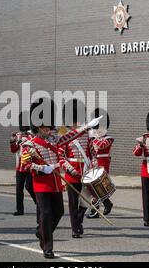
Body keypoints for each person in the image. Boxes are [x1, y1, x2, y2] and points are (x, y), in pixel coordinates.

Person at [20, 98, 101, 259]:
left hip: (56, 184)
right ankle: (47, 247)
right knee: (46, 214)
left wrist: (87, 126)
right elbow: (25, 166)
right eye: (46, 128)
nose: (49, 130)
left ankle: (42, 231)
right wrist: (41, 168)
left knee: (59, 212)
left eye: (49, 127)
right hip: (41, 184)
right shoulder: (30, 144)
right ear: (38, 127)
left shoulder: (55, 140)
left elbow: (70, 136)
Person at [58, 99, 90, 238]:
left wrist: (93, 164)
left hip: (86, 170)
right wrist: (70, 169)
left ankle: (78, 220)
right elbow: (60, 156)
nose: (77, 122)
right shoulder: (63, 132)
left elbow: (91, 152)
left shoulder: (86, 132)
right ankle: (74, 228)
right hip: (72, 172)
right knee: (73, 202)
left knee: (85, 200)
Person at [87, 108, 114, 219]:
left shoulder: (108, 138)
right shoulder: (91, 137)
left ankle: (96, 209)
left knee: (99, 186)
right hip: (93, 163)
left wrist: (93, 136)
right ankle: (106, 204)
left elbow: (101, 145)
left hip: (103, 163)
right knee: (94, 187)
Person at [10, 111, 36, 216]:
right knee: (18, 188)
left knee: (29, 186)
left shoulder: (32, 135)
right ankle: (19, 209)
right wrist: (13, 141)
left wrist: (24, 139)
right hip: (19, 166)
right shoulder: (18, 135)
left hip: (29, 166)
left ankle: (37, 201)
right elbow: (14, 150)